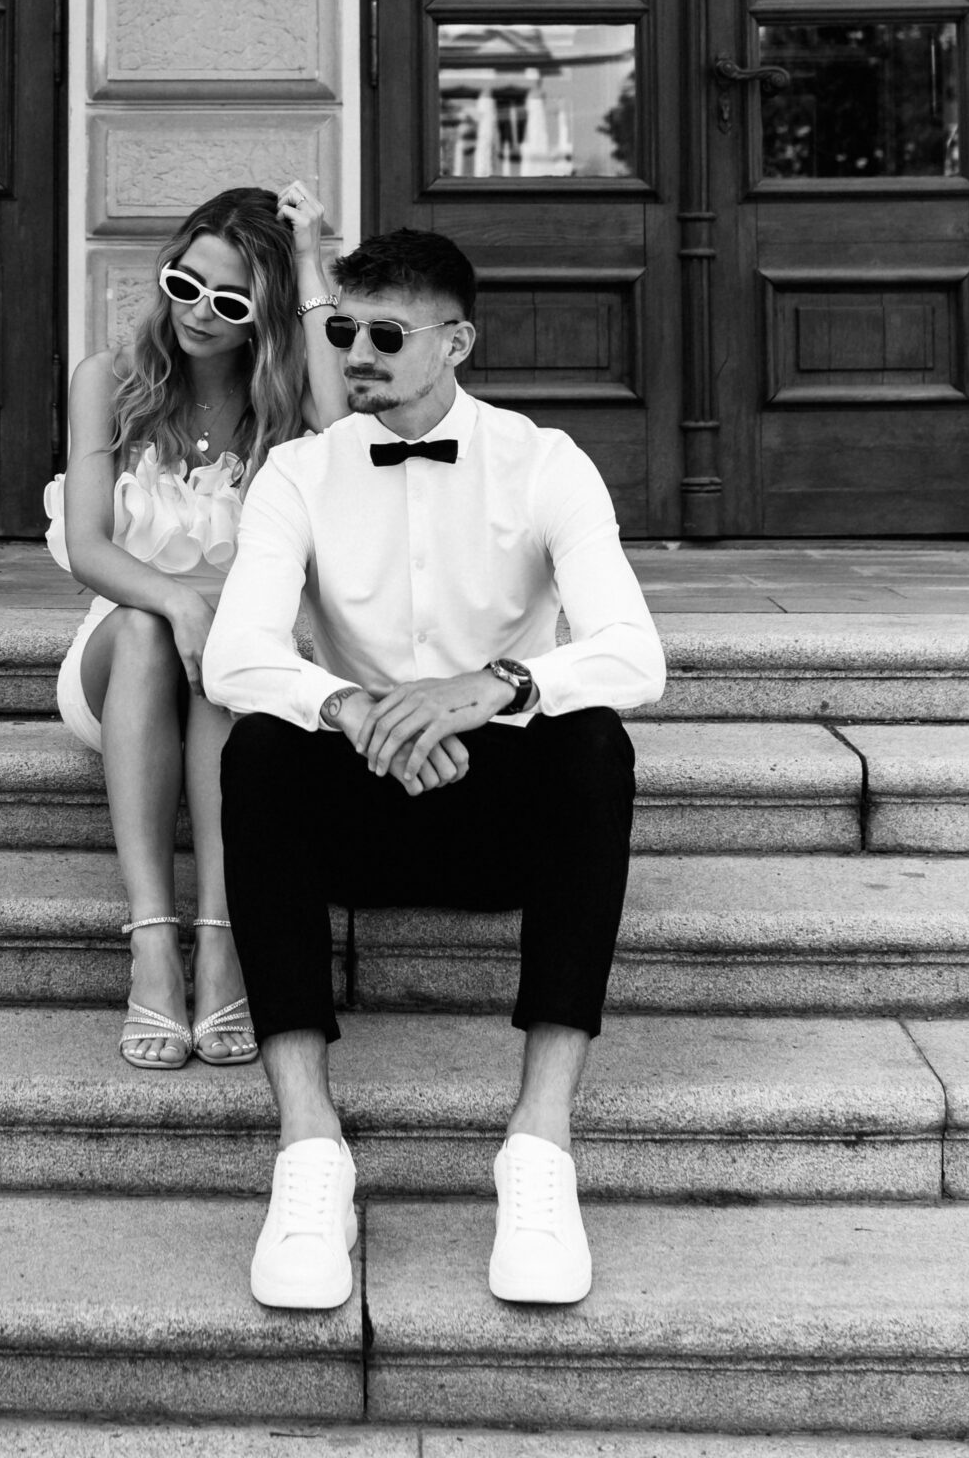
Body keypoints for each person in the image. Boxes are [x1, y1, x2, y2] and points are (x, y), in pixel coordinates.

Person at [202, 226, 666, 1311]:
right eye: (342, 332)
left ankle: (538, 1144)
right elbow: (234, 654)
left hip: (498, 804)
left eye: (385, 335)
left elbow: (634, 652)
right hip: (357, 797)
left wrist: (491, 687)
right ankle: (309, 1148)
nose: (356, 354)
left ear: (455, 342)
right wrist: (355, 708)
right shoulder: (299, 472)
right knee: (260, 743)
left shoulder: (542, 462)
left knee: (593, 740)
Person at [48, 181, 346, 1071]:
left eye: (230, 302)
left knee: (230, 648)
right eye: (185, 285)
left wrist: (310, 266)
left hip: (240, 668)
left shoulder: (286, 406)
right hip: (122, 653)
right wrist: (179, 601)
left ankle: (221, 945)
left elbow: (346, 438)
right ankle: (151, 945)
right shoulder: (110, 381)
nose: (198, 313)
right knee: (165, 630)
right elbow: (88, 546)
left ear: (265, 317)